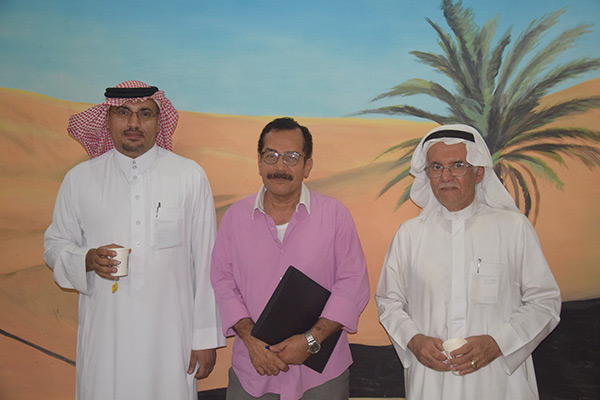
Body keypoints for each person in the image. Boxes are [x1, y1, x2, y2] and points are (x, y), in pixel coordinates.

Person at [43, 80, 225, 400]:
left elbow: (206, 263)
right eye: (123, 113)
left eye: (145, 113)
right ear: (108, 119)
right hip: (106, 339)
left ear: (158, 121)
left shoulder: (189, 176)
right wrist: (86, 259)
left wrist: (205, 338)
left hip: (171, 339)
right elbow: (54, 245)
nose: (133, 123)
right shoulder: (80, 180)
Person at [375, 124, 561, 399]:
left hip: (499, 381)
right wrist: (414, 340)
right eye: (436, 167)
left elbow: (544, 302)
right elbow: (388, 301)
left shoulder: (513, 228)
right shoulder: (410, 235)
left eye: (458, 165)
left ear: (479, 172)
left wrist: (497, 343)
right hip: (432, 381)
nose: (446, 176)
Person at [210, 117, 370, 400]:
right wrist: (251, 340)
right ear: (259, 162)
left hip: (321, 376)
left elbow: (353, 283)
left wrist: (311, 340)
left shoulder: (335, 216)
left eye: (292, 157)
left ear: (307, 165)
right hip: (254, 368)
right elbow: (222, 282)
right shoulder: (235, 218)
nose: (280, 167)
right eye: (271, 156)